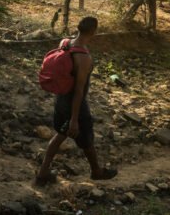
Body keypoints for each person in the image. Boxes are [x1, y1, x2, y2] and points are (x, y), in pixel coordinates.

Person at [34, 16, 117, 186]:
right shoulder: (84, 57)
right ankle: (96, 172)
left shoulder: (65, 42)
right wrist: (74, 119)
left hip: (61, 98)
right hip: (75, 105)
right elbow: (79, 90)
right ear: (93, 32)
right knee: (86, 139)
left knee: (60, 135)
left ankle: (43, 173)